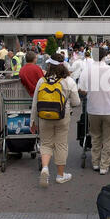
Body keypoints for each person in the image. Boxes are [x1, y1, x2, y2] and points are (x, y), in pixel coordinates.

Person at [30, 53, 80, 187]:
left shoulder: (42, 81)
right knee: (61, 144)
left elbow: (35, 102)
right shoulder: (68, 81)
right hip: (62, 117)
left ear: (49, 65)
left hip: (44, 117)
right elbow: (76, 102)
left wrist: (32, 121)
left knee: (46, 143)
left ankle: (45, 168)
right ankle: (60, 175)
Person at [78, 47, 110, 175]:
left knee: (95, 136)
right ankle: (104, 164)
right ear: (105, 56)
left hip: (93, 110)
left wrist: (90, 92)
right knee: (109, 138)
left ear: (93, 56)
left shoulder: (87, 71)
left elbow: (81, 89)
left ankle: (95, 162)